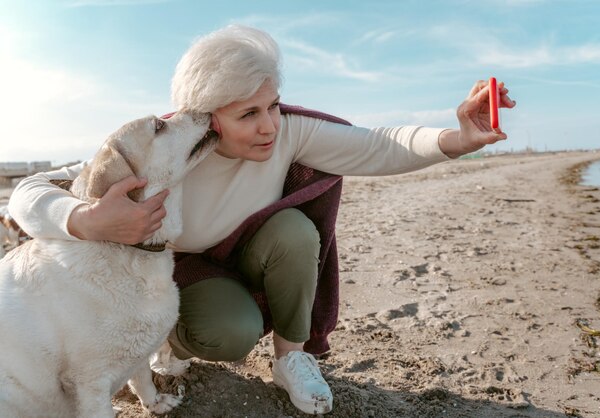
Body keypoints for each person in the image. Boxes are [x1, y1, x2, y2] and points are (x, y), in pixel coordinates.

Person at [8, 24, 515, 415]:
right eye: (247, 114)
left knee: (295, 231)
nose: (269, 125)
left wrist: (458, 141)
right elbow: (27, 195)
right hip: (179, 278)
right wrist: (85, 220)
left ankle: (292, 358)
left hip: (245, 256)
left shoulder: (288, 131)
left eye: (271, 105)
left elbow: (379, 145)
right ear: (206, 115)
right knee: (229, 333)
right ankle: (165, 346)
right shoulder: (162, 150)